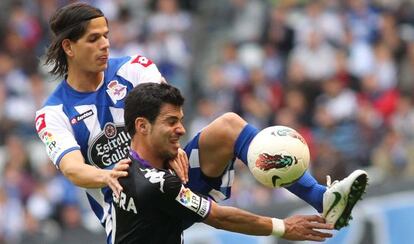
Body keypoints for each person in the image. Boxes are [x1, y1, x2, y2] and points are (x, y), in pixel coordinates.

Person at [34, 2, 368, 244]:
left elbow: (168, 110)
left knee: (228, 126)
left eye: (105, 35)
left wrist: (172, 149)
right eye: (93, 39)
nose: (105, 44)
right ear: (69, 47)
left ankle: (321, 198)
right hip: (128, 204)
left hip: (172, 175)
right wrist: (108, 176)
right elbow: (73, 168)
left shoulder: (133, 68)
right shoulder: (53, 113)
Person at [114, 82, 334, 243]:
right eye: (171, 122)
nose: (181, 129)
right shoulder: (159, 184)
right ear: (142, 126)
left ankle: (319, 196)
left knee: (229, 126)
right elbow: (220, 217)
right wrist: (284, 226)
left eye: (180, 120)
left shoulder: (123, 169)